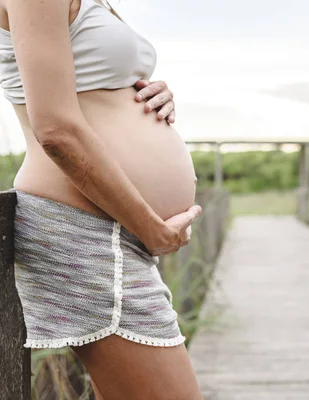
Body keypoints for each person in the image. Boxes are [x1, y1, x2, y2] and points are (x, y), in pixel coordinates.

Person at [0, 0, 204, 398]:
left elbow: (87, 81)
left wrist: (143, 89)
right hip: (86, 229)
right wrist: (152, 230)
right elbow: (57, 130)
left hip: (109, 227)